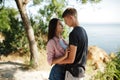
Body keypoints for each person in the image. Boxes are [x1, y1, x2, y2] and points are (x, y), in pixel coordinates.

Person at [60, 7, 88, 80]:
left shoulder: (73, 33)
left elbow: (71, 59)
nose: (65, 23)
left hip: (72, 74)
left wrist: (58, 62)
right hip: (81, 73)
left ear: (71, 17)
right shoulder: (83, 31)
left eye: (66, 20)